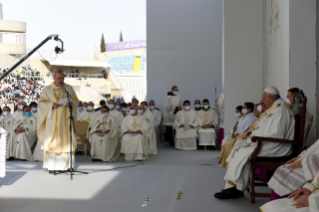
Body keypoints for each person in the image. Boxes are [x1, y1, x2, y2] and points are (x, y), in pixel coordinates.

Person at [214, 86, 295, 199]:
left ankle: (235, 188)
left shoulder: (281, 111)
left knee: (241, 151)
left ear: (271, 99)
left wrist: (254, 143)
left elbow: (277, 134)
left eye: (263, 98)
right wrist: (251, 138)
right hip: (267, 143)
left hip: (276, 147)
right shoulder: (276, 109)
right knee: (239, 148)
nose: (262, 101)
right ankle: (234, 187)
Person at [267, 88, 314, 198]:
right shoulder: (295, 110)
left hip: (292, 145)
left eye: (289, 97)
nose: (288, 99)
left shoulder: (298, 112)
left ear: (295, 98)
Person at [37, 70, 79, 173]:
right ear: (54, 78)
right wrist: (51, 104)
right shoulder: (47, 90)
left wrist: (72, 103)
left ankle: (66, 166)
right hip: (53, 121)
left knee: (66, 142)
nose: (61, 80)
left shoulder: (69, 88)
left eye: (62, 78)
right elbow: (41, 103)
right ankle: (52, 167)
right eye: (59, 78)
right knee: (53, 141)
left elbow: (76, 101)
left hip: (66, 119)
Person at [218, 102, 258, 167]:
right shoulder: (247, 116)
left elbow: (246, 129)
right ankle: (224, 160)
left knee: (229, 143)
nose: (243, 109)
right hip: (241, 134)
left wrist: (237, 135)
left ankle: (228, 162)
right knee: (228, 141)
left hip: (244, 134)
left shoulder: (251, 117)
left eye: (244, 108)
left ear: (249, 109)